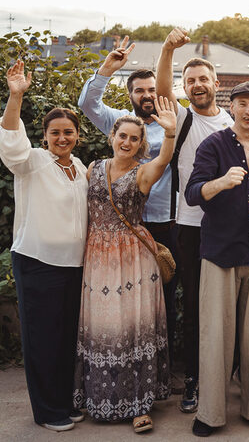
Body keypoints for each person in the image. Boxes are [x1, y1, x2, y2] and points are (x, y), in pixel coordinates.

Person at [0, 60, 88, 432]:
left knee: (66, 337)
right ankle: (48, 411)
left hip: (72, 264)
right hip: (37, 262)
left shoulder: (80, 167)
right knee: (43, 338)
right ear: (44, 135)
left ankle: (63, 401)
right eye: (54, 133)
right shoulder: (31, 161)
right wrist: (16, 96)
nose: (62, 138)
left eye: (68, 132)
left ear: (77, 135)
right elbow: (10, 140)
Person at [78, 36, 181, 379]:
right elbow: (88, 103)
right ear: (131, 95)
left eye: (152, 89)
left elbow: (167, 157)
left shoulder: (172, 120)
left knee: (162, 303)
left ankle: (158, 372)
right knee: (120, 309)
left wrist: (169, 133)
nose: (147, 95)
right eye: (139, 90)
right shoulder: (121, 124)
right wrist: (108, 68)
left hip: (162, 222)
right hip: (121, 231)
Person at [185, 82, 249, 437]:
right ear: (232, 107)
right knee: (215, 336)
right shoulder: (213, 145)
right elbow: (193, 193)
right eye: (242, 103)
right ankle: (209, 414)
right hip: (220, 253)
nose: (248, 110)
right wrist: (222, 182)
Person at [73, 97, 177, 432]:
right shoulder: (93, 168)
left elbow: (164, 159)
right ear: (112, 137)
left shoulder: (143, 172)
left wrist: (171, 134)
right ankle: (98, 398)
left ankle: (139, 405)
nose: (127, 142)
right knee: (101, 329)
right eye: (123, 136)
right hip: (97, 258)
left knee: (132, 330)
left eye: (134, 138)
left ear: (140, 144)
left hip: (133, 259)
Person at [155, 27, 234, 413]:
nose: (197, 85)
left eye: (203, 78)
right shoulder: (183, 119)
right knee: (194, 307)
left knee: (229, 304)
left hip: (231, 226)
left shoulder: (234, 123)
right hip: (189, 225)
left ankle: (227, 375)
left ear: (216, 82)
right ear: (185, 89)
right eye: (191, 81)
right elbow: (161, 90)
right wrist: (169, 49)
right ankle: (193, 381)